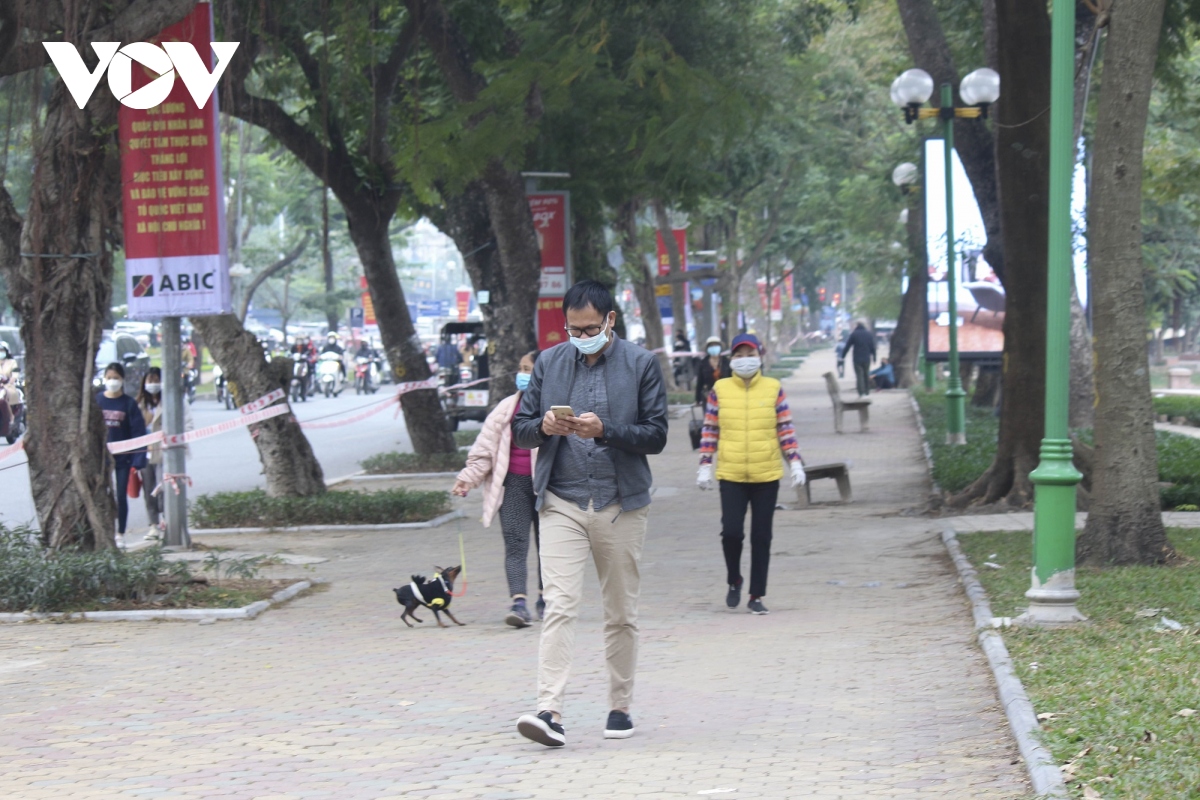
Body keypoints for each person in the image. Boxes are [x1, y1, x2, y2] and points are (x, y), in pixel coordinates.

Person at [512, 279, 668, 747]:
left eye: (590, 328)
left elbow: (656, 435)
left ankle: (620, 707)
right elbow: (520, 430)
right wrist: (542, 425)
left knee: (620, 611)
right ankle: (549, 711)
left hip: (621, 504)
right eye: (574, 329)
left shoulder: (641, 363)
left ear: (610, 321)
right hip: (561, 500)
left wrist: (606, 431)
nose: (581, 336)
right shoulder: (548, 363)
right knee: (560, 604)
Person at [696, 333, 805, 616]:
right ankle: (735, 579)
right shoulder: (719, 389)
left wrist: (794, 461)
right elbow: (710, 429)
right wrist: (705, 464)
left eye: (750, 355)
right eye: (739, 356)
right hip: (731, 473)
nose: (744, 360)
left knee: (761, 536)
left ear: (760, 357)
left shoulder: (773, 388)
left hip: (766, 474)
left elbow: (785, 428)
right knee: (731, 533)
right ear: (732, 359)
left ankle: (756, 594)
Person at [452, 351, 543, 628]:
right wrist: (467, 478)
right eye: (521, 368)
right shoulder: (505, 408)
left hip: (550, 487)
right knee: (515, 544)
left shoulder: (559, 408)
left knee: (550, 547)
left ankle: (546, 600)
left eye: (529, 369)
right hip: (513, 485)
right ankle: (519, 603)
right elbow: (483, 451)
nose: (523, 374)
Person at [135, 367, 193, 539]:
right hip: (145, 454)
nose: (152, 384)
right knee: (148, 491)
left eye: (155, 380)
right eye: (149, 381)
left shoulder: (175, 401)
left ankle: (168, 522)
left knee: (164, 489)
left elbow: (188, 424)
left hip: (165, 454)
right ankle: (153, 525)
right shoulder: (140, 404)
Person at [96, 362, 147, 547]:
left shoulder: (129, 404)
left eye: (116, 378)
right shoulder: (98, 401)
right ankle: (103, 530)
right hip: (101, 459)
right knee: (100, 494)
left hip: (123, 459)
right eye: (109, 378)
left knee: (120, 496)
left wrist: (138, 459)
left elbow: (138, 432)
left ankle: (120, 533)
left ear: (122, 380)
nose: (112, 381)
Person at [694, 335, 730, 405]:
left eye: (716, 345)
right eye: (711, 346)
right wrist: (697, 399)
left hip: (724, 397)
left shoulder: (726, 362)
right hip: (708, 397)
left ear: (720, 347)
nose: (714, 347)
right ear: (707, 348)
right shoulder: (703, 363)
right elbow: (699, 382)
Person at [845, 321, 877, 397]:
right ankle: (867, 391)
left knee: (859, 375)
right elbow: (873, 347)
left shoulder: (854, 334)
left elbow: (848, 345)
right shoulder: (869, 334)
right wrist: (874, 357)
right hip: (866, 358)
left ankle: (861, 392)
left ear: (857, 326)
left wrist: (843, 356)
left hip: (857, 358)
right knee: (866, 374)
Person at [0, 343, 18, 436]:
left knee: (4, 396)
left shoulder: (12, 362)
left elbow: (15, 373)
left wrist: (11, 380)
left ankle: (11, 417)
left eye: (2, 350)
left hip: (8, 386)